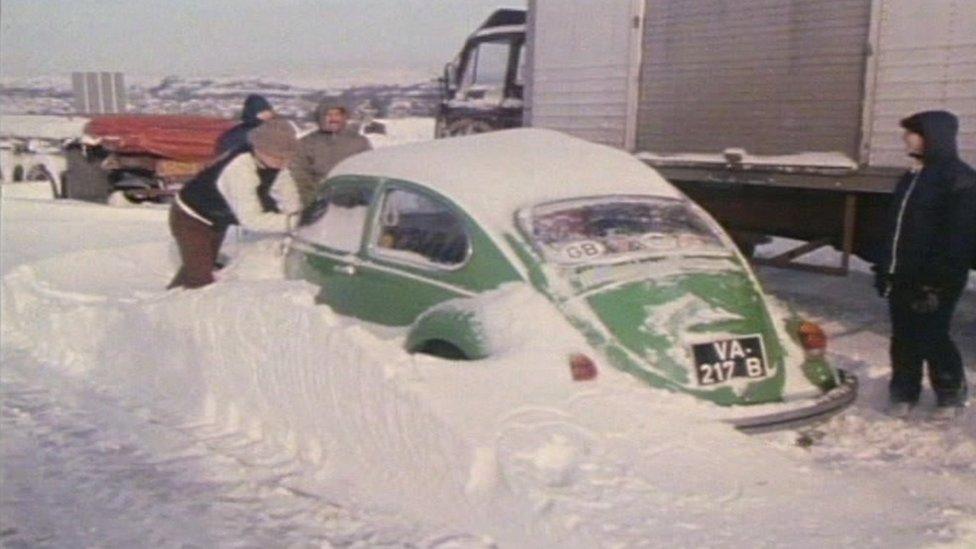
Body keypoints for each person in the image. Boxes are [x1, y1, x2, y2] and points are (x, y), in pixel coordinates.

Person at [873, 110, 976, 419]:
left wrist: (935, 282)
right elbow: (897, 228)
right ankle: (904, 392)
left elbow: (959, 238)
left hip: (937, 278)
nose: (906, 138)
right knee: (903, 334)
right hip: (904, 272)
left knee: (932, 333)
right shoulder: (913, 176)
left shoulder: (959, 179)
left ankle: (950, 392)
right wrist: (885, 268)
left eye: (913, 132)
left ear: (933, 136)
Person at [168, 118, 301, 289]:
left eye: (287, 157)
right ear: (259, 148)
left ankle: (170, 301)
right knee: (200, 277)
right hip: (190, 217)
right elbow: (251, 220)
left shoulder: (275, 164)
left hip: (216, 218)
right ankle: (187, 309)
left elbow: (287, 193)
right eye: (277, 156)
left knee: (199, 265)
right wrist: (294, 222)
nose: (283, 163)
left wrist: (297, 215)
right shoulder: (239, 169)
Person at [291, 100, 372, 208]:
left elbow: (370, 169)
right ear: (320, 118)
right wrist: (311, 199)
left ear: (344, 117)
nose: (333, 119)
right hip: (320, 200)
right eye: (328, 115)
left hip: (355, 201)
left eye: (337, 114)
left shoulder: (359, 141)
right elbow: (299, 174)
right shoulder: (306, 143)